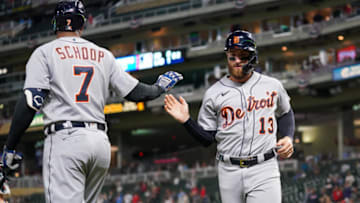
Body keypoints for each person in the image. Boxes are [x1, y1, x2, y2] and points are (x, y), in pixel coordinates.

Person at [0, 1, 182, 202]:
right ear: (82, 24)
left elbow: (30, 102)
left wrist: (10, 147)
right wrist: (159, 87)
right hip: (99, 144)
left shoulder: (45, 53)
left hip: (66, 139)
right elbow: (137, 92)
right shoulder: (103, 54)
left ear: (55, 23)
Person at [164, 29, 295, 203]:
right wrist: (187, 121)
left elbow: (285, 112)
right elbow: (207, 139)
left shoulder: (272, 85)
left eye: (243, 56)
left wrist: (288, 137)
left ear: (253, 57)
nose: (237, 61)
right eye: (232, 56)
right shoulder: (213, 93)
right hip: (229, 170)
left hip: (264, 167)